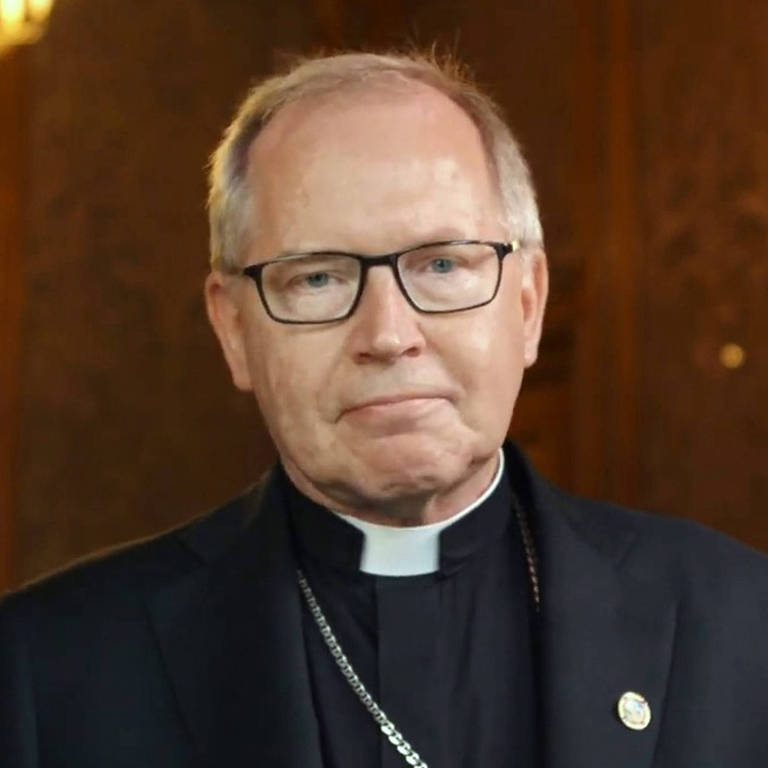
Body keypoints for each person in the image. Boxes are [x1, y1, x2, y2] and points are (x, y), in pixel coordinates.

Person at [1, 50, 768, 768]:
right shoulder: (50, 670)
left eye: (440, 264)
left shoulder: (739, 626)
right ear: (233, 330)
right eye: (318, 279)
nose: (387, 336)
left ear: (528, 305)